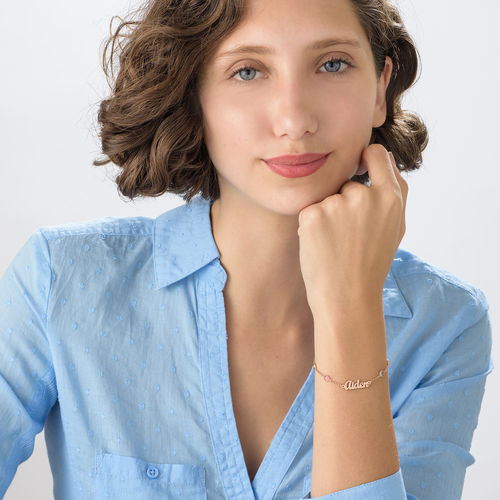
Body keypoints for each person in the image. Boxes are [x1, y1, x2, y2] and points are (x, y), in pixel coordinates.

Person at [0, 0, 493, 498]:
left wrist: (350, 314)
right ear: (193, 94)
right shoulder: (59, 278)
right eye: (248, 71)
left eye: (333, 64)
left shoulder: (446, 323)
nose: (294, 119)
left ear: (380, 89)